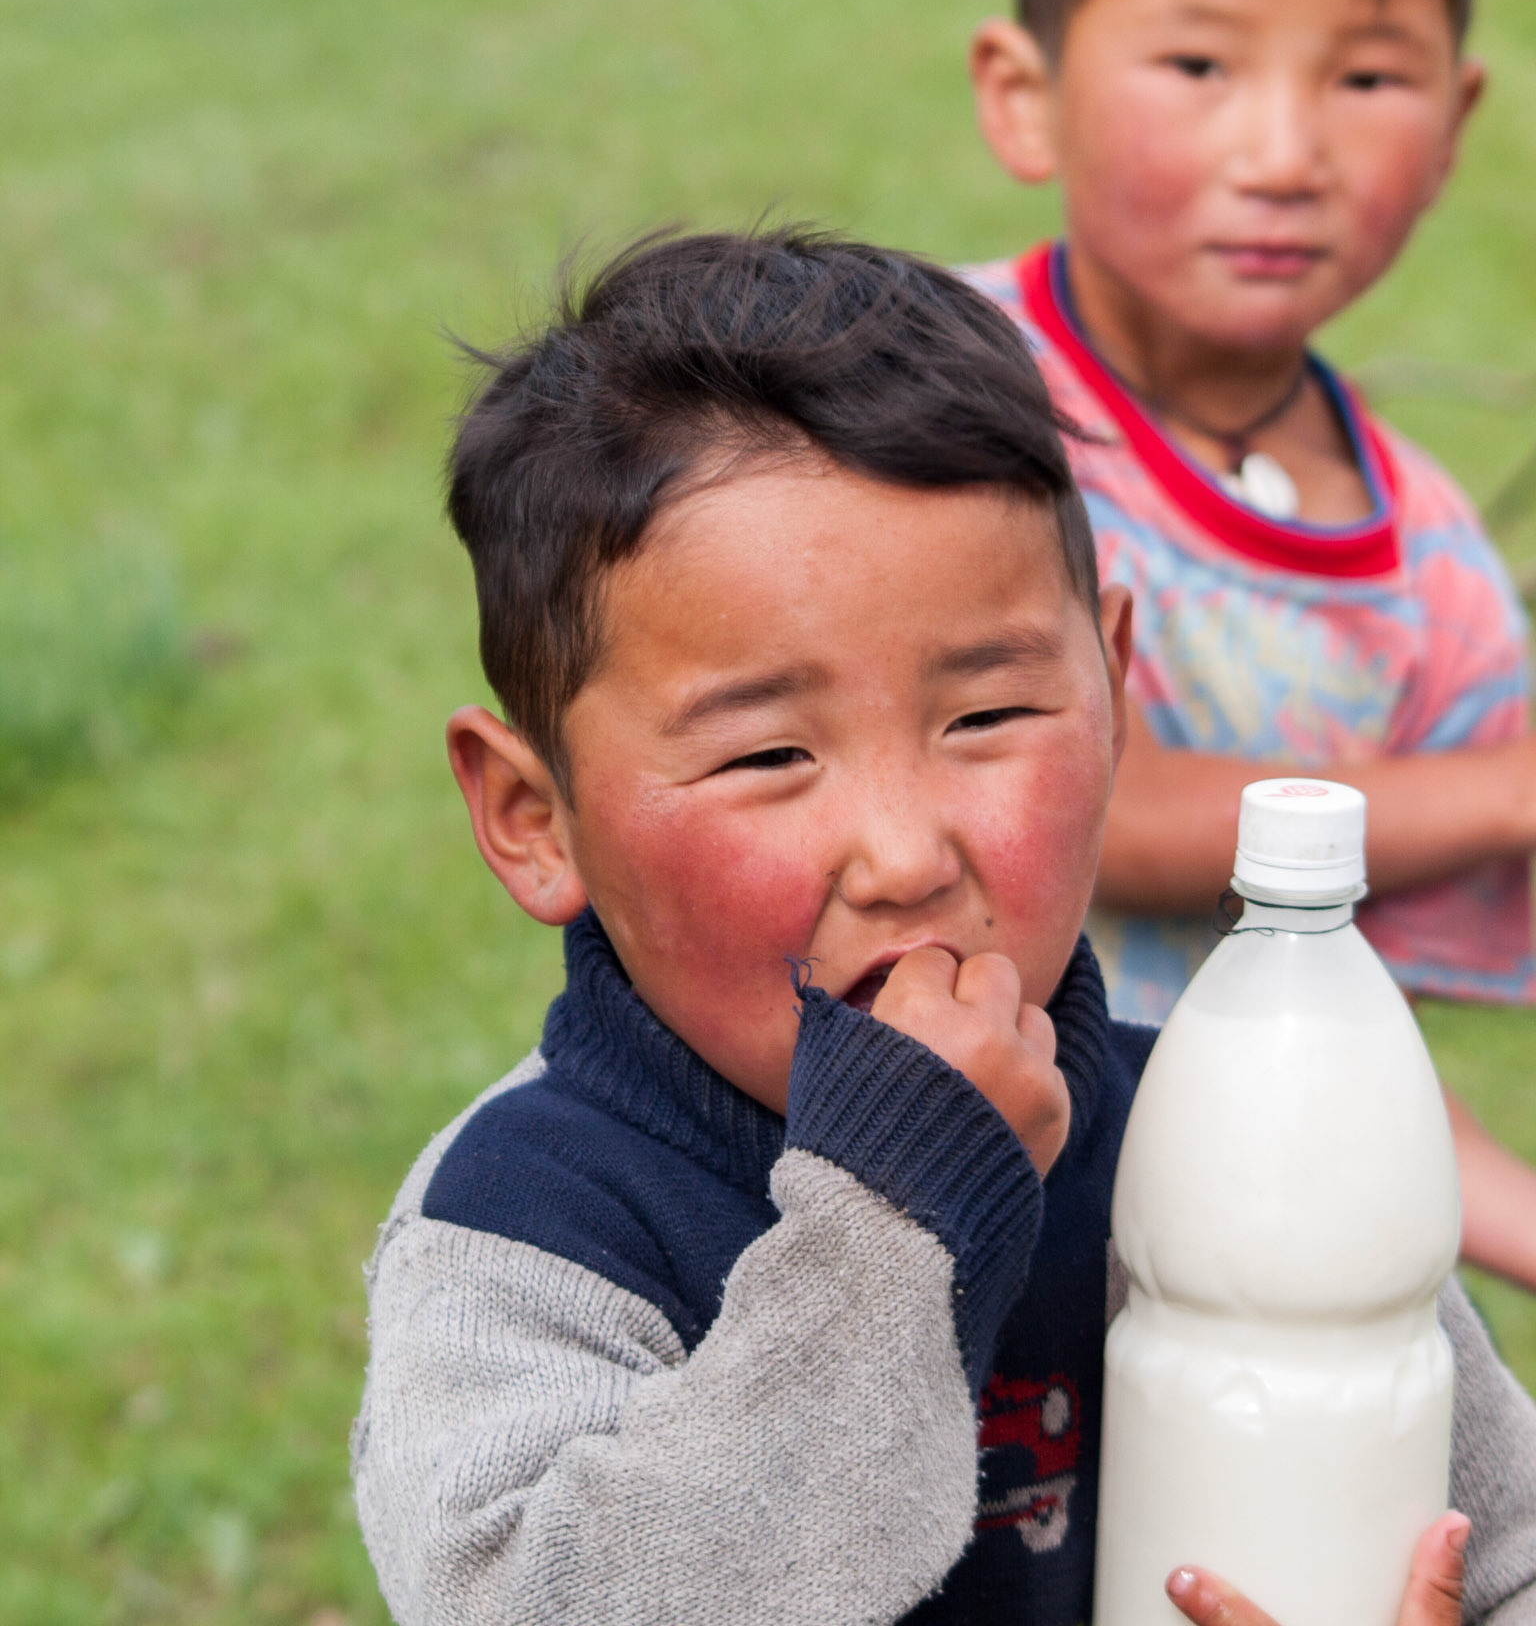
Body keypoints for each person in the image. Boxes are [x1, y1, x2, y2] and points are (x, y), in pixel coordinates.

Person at [352, 228, 1536, 1625]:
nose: (908, 855)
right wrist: (897, 1216)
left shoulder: (1238, 1126)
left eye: (988, 719)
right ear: (532, 816)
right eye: (765, 758)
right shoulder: (530, 1228)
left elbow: (1499, 1544)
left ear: (1113, 680)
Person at [964, 0, 1536, 1290]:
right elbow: (1092, 803)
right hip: (888, 1225)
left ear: (1457, 118)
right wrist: (1503, 793)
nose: (1285, 149)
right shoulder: (934, 412)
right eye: (1201, 65)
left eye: (1365, 78)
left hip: (1220, 1290)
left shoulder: (1434, 592)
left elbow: (1366, 1066)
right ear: (1025, 91)